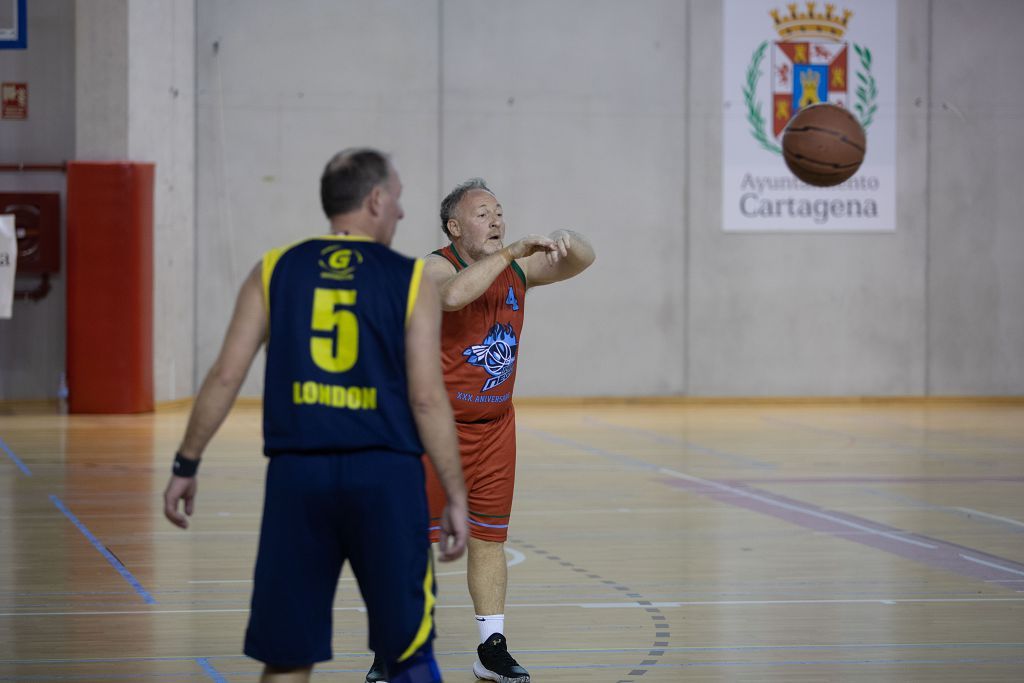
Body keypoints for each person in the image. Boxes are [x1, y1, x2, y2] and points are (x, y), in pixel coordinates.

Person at [163, 148, 469, 683]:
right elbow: (427, 398)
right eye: (396, 198)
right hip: (386, 478)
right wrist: (455, 494)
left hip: (297, 480)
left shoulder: (276, 268)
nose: (399, 212)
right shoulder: (411, 279)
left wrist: (186, 465)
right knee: (409, 653)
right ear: (375, 200)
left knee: (287, 656)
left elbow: (225, 376)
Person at [368, 178, 595, 683]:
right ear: (454, 227)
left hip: (494, 428)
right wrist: (512, 250)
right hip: (431, 429)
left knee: (489, 539)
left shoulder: (517, 270)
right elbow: (451, 298)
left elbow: (582, 259)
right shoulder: (432, 267)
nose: (496, 221)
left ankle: (491, 647)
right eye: (482, 214)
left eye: (499, 212)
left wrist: (565, 238)